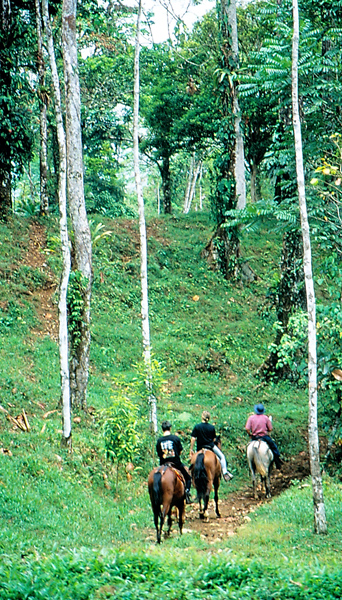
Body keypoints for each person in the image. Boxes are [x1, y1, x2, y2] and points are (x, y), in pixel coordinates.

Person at [189, 410, 233, 482]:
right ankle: (225, 473)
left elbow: (193, 438)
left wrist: (191, 449)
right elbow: (214, 439)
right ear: (209, 418)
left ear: (202, 417)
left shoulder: (197, 427)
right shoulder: (211, 427)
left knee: (193, 461)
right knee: (222, 457)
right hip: (210, 446)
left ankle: (191, 476)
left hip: (200, 447)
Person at [156, 420, 193, 504]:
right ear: (170, 428)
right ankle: (186, 494)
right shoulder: (175, 438)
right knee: (188, 478)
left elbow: (159, 454)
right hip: (175, 464)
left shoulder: (159, 441)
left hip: (163, 465)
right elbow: (179, 452)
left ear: (162, 429)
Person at [245, 403, 283, 469]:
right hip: (264, 437)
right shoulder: (266, 418)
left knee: (249, 447)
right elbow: (270, 429)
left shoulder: (251, 418)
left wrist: (250, 434)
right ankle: (277, 461)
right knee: (274, 447)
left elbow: (247, 428)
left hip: (255, 437)